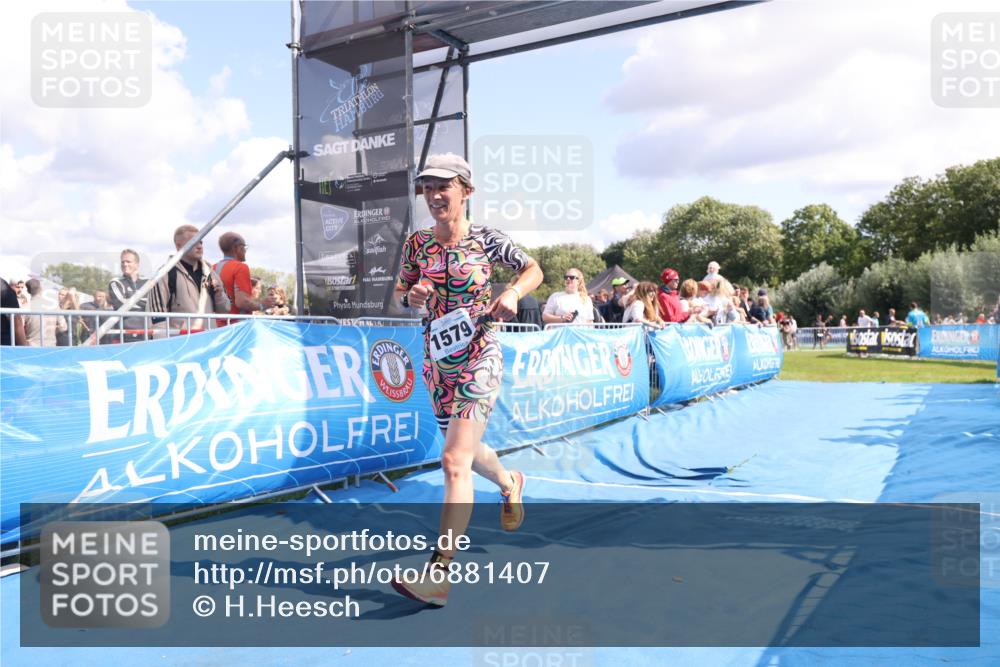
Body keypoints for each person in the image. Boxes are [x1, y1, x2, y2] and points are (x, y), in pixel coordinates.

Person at [390, 153, 543, 607]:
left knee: (454, 460)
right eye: (427, 188)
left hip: (480, 352)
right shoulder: (418, 244)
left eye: (444, 186)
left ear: (466, 191)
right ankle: (510, 482)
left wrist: (512, 291)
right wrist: (412, 296)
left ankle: (439, 574)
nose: (434, 195)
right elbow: (401, 292)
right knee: (468, 452)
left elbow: (533, 269)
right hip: (438, 361)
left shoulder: (487, 239)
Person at [147, 224, 231, 332]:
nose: (199, 246)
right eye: (194, 242)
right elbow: (157, 317)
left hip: (209, 339)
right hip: (181, 341)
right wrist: (164, 341)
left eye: (201, 242)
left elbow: (225, 310)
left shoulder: (211, 273)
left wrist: (219, 295)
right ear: (178, 246)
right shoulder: (164, 273)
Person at [214, 232, 275, 325]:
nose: (245, 251)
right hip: (237, 326)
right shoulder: (240, 267)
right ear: (237, 248)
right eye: (244, 247)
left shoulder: (213, 268)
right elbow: (242, 302)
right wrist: (262, 305)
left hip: (216, 325)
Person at [107, 249, 151, 341]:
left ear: (137, 264)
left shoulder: (148, 282)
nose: (125, 264)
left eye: (128, 261)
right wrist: (146, 304)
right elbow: (121, 304)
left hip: (147, 334)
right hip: (123, 335)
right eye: (122, 262)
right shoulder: (115, 282)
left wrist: (131, 299)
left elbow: (155, 304)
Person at [1, 278, 27, 346]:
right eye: (17, 287)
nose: (19, 289)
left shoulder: (4, 288)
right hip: (4, 343)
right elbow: (17, 323)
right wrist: (25, 348)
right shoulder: (4, 289)